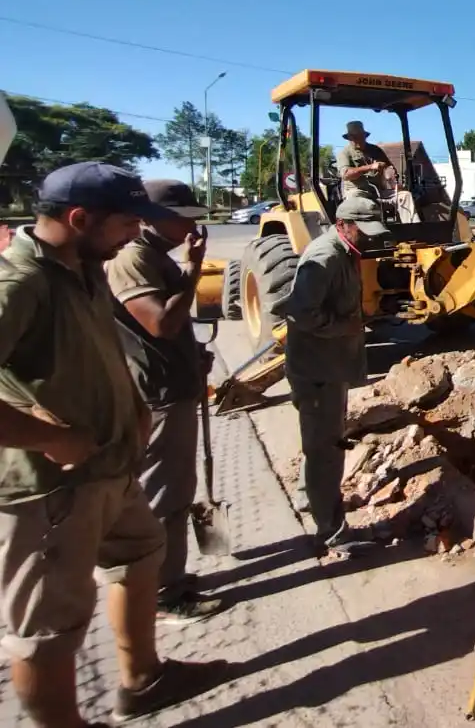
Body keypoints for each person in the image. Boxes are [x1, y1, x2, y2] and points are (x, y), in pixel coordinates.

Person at [0, 163, 224, 726]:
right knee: (49, 628)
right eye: (127, 223)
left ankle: (144, 678)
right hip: (53, 487)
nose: (134, 234)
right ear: (80, 218)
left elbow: (104, 352)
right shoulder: (19, 284)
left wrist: (135, 406)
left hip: (109, 463)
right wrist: (51, 437)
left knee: (140, 554)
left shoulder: (84, 266)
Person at [106, 179, 227, 626]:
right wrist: (194, 269)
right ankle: (162, 595)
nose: (193, 227)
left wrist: (192, 353)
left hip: (176, 384)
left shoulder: (156, 257)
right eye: (186, 218)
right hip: (157, 394)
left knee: (178, 489)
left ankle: (171, 576)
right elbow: (158, 324)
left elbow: (172, 328)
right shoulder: (132, 260)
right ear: (155, 218)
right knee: (164, 495)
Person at [276, 197, 388, 556]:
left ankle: (312, 499)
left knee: (321, 442)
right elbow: (300, 313)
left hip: (329, 366)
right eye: (363, 231)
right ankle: (331, 531)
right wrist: (346, 325)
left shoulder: (345, 250)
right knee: (326, 449)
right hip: (317, 371)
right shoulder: (325, 258)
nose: (369, 239)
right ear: (342, 224)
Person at [334, 120, 419, 223]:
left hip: (379, 191)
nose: (356, 140)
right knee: (356, 199)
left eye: (358, 136)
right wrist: (370, 167)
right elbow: (346, 175)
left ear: (364, 136)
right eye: (353, 137)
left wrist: (394, 182)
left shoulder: (375, 150)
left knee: (405, 196)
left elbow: (389, 168)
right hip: (358, 191)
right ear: (349, 138)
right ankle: (365, 233)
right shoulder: (344, 153)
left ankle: (413, 231)